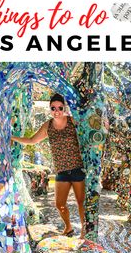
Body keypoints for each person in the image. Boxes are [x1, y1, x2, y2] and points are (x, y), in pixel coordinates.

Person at [11, 93, 86, 238]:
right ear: (50, 109)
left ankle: (84, 231)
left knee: (81, 202)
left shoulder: (73, 122)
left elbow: (86, 135)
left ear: (64, 108)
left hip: (77, 168)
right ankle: (68, 227)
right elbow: (32, 140)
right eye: (53, 108)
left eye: (60, 108)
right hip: (62, 171)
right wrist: (13, 138)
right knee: (60, 204)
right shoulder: (48, 126)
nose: (56, 111)